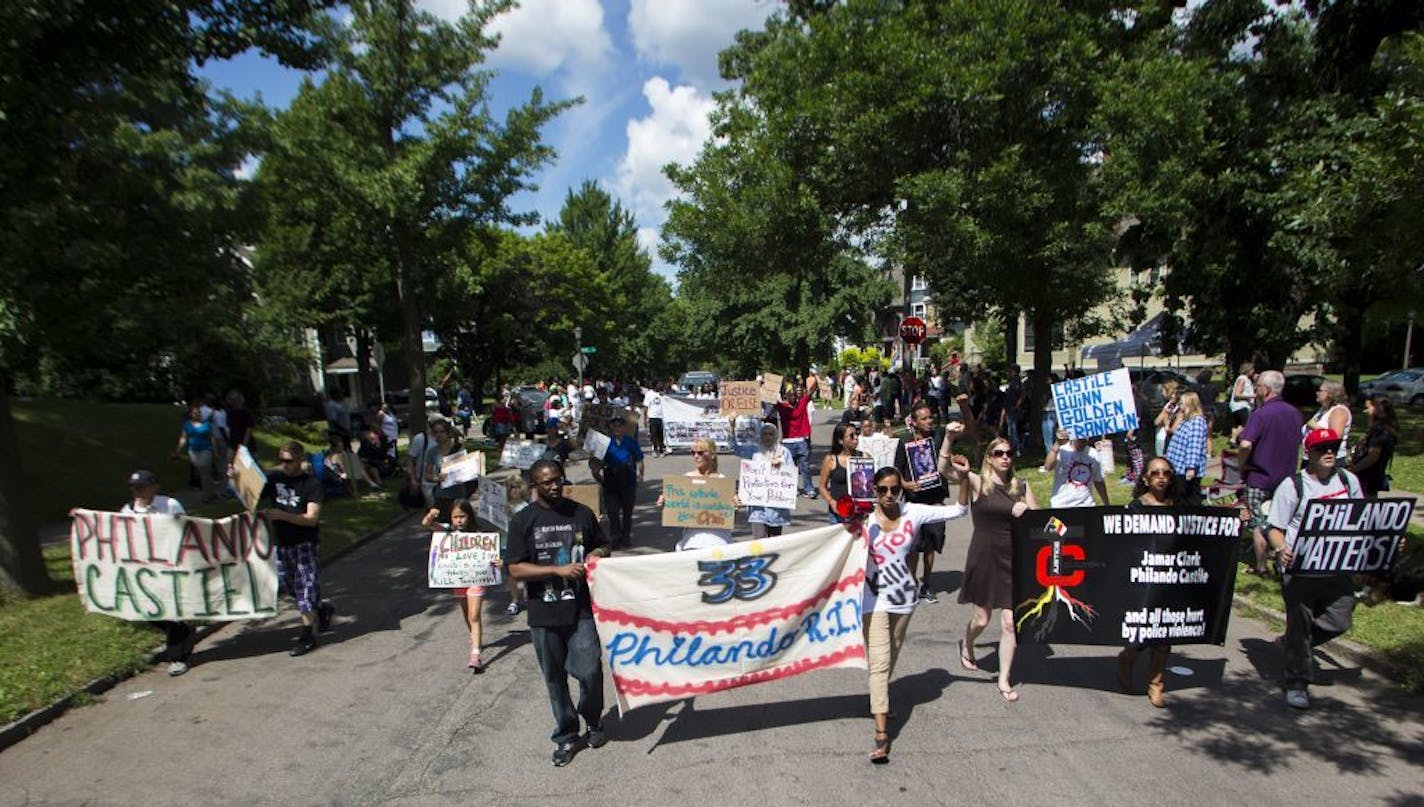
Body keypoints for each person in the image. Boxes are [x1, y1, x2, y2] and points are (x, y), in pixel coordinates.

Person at [859, 460, 970, 763]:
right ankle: (882, 734)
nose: (889, 494)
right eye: (883, 489)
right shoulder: (865, 520)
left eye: (895, 489)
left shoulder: (914, 513)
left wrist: (963, 480)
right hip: (873, 599)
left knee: (892, 654)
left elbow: (959, 511)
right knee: (879, 662)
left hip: (904, 599)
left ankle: (880, 697)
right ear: (874, 490)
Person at [504, 459, 609, 767]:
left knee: (590, 670)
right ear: (534, 486)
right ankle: (566, 736)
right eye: (546, 482)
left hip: (581, 610)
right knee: (555, 679)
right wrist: (556, 569)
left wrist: (595, 553)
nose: (554, 486)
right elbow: (514, 567)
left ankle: (593, 720)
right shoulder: (524, 521)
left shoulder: (581, 513)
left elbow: (604, 545)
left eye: (558, 480)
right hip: (543, 614)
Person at [1267, 428, 1364, 710]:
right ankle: (1297, 681)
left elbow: (1363, 519)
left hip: (1338, 566)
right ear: (1309, 454)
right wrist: (1280, 548)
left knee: (1340, 620)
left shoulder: (1349, 480)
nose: (1329, 452)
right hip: (1301, 568)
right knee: (1300, 624)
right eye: (1322, 448)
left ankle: (1294, 644)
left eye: (1333, 446)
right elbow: (1275, 528)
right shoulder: (1293, 486)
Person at [951, 436, 1039, 702]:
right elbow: (945, 470)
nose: (1005, 457)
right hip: (985, 556)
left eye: (1009, 453)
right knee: (981, 619)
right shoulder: (978, 482)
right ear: (989, 457)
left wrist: (1029, 512)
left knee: (1010, 622)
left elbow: (1042, 523)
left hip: (1014, 558)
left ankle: (1004, 679)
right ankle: (967, 643)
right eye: (999, 453)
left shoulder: (1022, 486)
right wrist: (948, 439)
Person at [255, 441, 336, 656]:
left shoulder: (311, 485)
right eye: (281, 460)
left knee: (305, 587)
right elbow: (251, 495)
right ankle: (321, 608)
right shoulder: (275, 479)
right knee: (288, 585)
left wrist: (282, 515)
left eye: (288, 461)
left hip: (304, 543)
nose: (284, 465)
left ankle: (307, 635)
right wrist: (234, 476)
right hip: (282, 544)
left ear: (300, 460)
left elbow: (311, 519)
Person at [1116, 457, 1181, 707]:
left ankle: (1156, 683)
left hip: (1173, 576)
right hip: (1143, 578)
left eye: (1165, 472)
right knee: (1142, 632)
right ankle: (1127, 658)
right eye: (1155, 473)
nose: (1161, 477)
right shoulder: (1135, 507)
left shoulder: (1180, 506)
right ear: (1145, 478)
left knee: (1165, 632)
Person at [119, 470, 194, 675]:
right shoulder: (128, 510)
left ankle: (177, 657)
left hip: (170, 567)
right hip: (144, 570)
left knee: (171, 611)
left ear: (154, 487)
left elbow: (188, 529)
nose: (138, 492)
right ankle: (184, 632)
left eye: (142, 487)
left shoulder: (169, 505)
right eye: (135, 487)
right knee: (146, 610)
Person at [894, 401, 966, 603]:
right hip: (914, 500)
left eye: (930, 417)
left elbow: (963, 432)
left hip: (935, 500)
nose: (929, 421)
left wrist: (964, 411)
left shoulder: (939, 438)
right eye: (924, 418)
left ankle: (926, 583)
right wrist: (906, 485)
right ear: (914, 422)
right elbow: (896, 469)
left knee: (930, 545)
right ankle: (910, 583)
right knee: (913, 545)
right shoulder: (905, 442)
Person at [422, 499, 503, 672]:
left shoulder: (479, 533)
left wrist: (499, 561)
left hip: (476, 578)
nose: (459, 520)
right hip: (458, 579)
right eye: (455, 517)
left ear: (469, 516)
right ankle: (474, 636)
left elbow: (494, 550)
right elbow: (427, 524)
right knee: (466, 613)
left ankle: (475, 654)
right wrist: (431, 515)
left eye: (462, 516)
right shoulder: (448, 530)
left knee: (474, 615)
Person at [1239, 370, 1304, 576]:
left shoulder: (1259, 415)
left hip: (1259, 477)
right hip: (1287, 479)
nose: (1255, 390)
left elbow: (1246, 443)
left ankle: (1261, 566)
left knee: (1259, 524)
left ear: (1266, 390)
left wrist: (1243, 465)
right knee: (1280, 522)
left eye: (1257, 386)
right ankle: (1281, 559)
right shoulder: (1295, 413)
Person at [658, 437, 736, 551]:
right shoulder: (686, 480)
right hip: (692, 541)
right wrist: (666, 503)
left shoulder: (723, 482)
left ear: (712, 455)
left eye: (700, 453)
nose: (696, 456)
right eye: (693, 453)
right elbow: (676, 512)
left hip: (718, 540)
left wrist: (736, 506)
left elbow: (729, 516)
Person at [730, 420, 793, 539]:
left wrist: (781, 467)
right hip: (757, 508)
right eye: (765, 434)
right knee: (759, 542)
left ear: (775, 435)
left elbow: (791, 477)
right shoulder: (754, 450)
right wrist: (732, 427)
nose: (768, 437)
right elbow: (735, 448)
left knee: (774, 541)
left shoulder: (784, 452)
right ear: (760, 435)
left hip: (776, 509)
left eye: (771, 434)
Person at [590, 415, 642, 548]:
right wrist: (601, 481)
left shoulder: (630, 441)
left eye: (620, 425)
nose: (617, 427)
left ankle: (626, 537)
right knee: (612, 512)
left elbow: (639, 459)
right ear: (611, 427)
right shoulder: (604, 443)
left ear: (624, 427)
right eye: (614, 425)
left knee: (627, 511)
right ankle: (615, 537)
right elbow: (595, 465)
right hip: (611, 477)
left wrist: (640, 475)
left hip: (628, 478)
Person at [819, 422, 871, 524]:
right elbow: (822, 486)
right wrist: (831, 502)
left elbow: (871, 483)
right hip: (839, 513)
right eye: (851, 436)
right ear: (840, 440)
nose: (856, 438)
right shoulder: (831, 459)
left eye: (857, 433)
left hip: (860, 513)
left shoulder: (865, 457)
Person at [1044, 428, 1110, 508]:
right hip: (1061, 505)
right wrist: (1057, 444)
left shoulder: (1093, 454)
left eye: (1084, 440)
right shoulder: (1062, 450)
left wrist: (1107, 504)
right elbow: (1048, 467)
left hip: (1086, 505)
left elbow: (1098, 481)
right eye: (1080, 440)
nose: (1082, 442)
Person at [775, 376, 817, 499]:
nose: (792, 397)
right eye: (790, 395)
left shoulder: (802, 403)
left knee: (805, 467)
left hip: (801, 441)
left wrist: (816, 379)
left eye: (794, 395)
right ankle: (790, 488)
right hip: (788, 442)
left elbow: (811, 392)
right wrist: (775, 384)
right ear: (786, 397)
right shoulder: (782, 407)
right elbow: (771, 399)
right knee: (789, 468)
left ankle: (809, 489)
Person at [1164, 391, 1209, 505]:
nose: (1180, 406)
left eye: (1182, 404)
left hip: (1185, 471)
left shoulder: (1197, 422)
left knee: (1188, 501)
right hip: (1177, 468)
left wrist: (1191, 468)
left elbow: (1194, 446)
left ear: (1190, 405)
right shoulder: (1186, 420)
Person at [1349, 396, 1397, 497]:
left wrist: (1352, 470)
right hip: (1369, 479)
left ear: (1377, 410)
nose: (1365, 411)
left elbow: (1372, 457)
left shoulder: (1380, 432)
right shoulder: (1384, 430)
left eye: (1368, 408)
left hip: (1367, 480)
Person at [425, 418, 470, 519]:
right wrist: (437, 478)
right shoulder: (432, 452)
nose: (439, 435)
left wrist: (463, 476)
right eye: (436, 432)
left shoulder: (458, 449)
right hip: (441, 495)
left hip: (458, 495)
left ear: (448, 433)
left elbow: (467, 470)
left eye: (442, 432)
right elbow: (427, 475)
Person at [172, 402, 217, 503]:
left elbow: (212, 438)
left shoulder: (206, 424)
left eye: (199, 413)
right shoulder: (187, 425)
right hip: (193, 451)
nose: (197, 414)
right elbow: (183, 438)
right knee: (203, 473)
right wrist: (177, 451)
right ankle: (212, 491)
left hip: (206, 449)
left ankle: (206, 496)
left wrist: (215, 450)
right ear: (191, 414)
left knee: (205, 471)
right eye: (195, 413)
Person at [1304, 381, 1352, 461]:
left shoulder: (1339, 411)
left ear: (1331, 394)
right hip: (1313, 457)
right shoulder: (1323, 409)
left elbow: (1335, 436)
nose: (1317, 393)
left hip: (1329, 460)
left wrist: (1314, 426)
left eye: (1320, 390)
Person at [1228, 362, 1257, 440]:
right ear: (1248, 370)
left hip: (1238, 406)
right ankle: (1233, 439)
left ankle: (1235, 441)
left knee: (1237, 424)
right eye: (1252, 369)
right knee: (1245, 424)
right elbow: (1237, 394)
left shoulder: (1246, 379)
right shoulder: (1242, 379)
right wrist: (1252, 396)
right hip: (1241, 406)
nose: (1253, 371)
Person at [1154, 381, 1182, 456]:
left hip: (1163, 436)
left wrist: (1164, 412)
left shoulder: (1169, 406)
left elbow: (1157, 422)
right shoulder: (1174, 405)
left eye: (1162, 390)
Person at [646, 383, 666, 457]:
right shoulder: (649, 394)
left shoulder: (662, 394)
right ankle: (655, 450)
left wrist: (663, 395)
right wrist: (646, 418)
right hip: (652, 417)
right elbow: (646, 406)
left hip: (661, 417)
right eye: (658, 385)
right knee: (653, 434)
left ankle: (661, 450)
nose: (659, 386)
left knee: (661, 434)